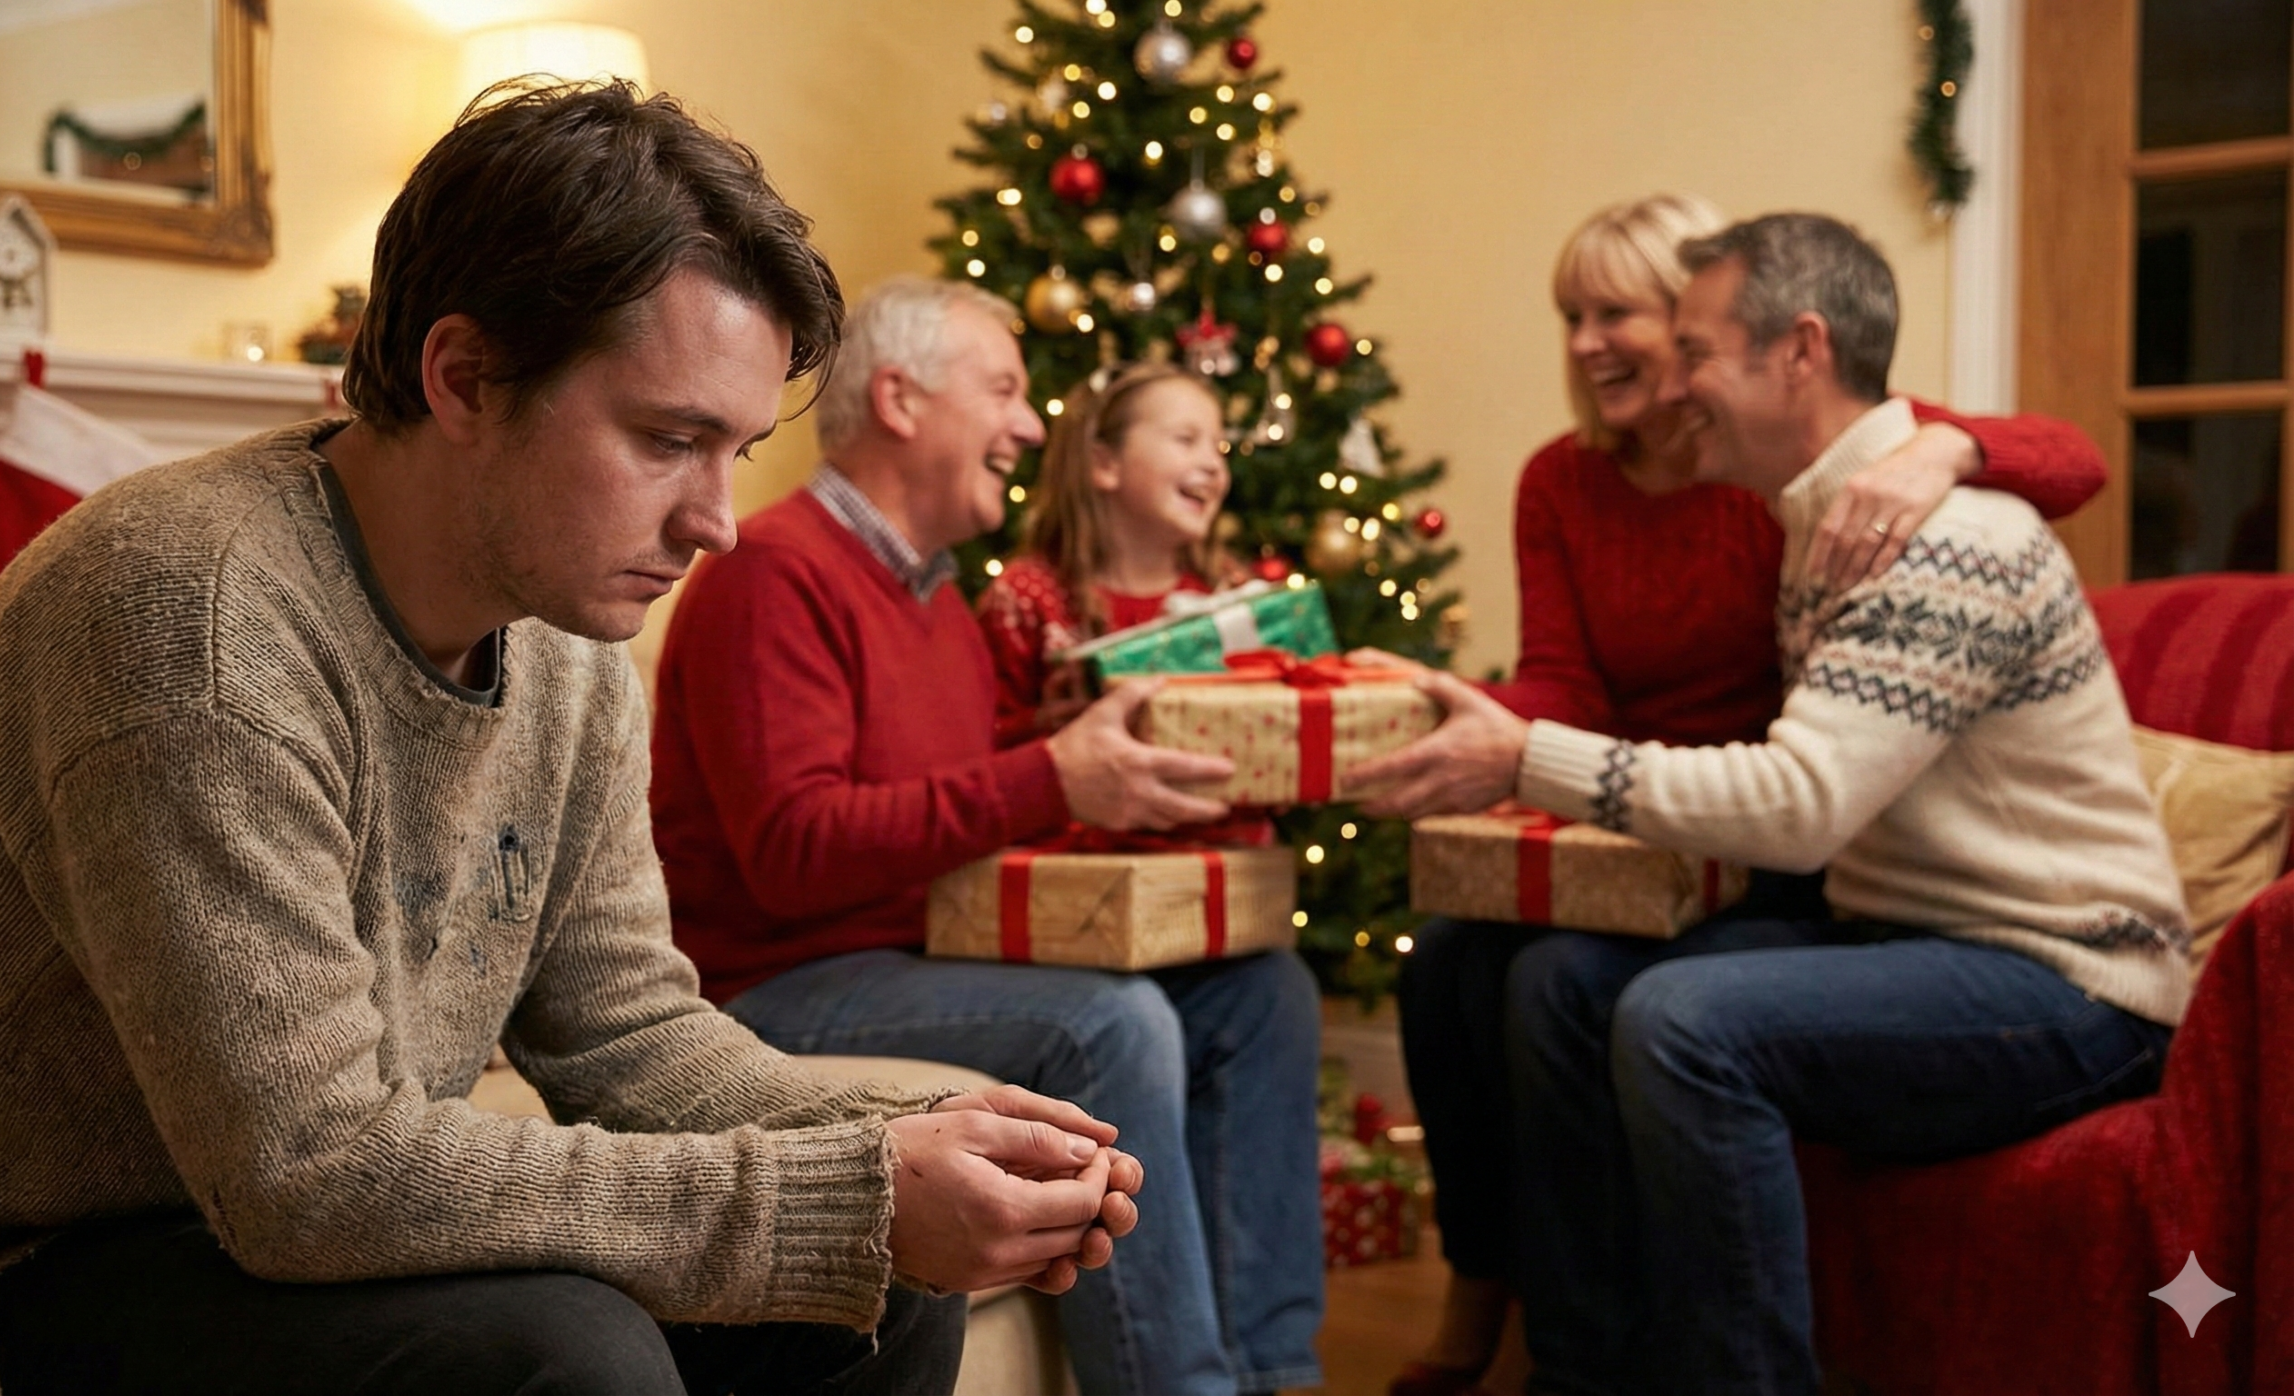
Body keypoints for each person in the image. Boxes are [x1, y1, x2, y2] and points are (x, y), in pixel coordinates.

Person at [0, 83, 1144, 1396]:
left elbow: (628, 1032)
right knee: (563, 1351)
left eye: (733, 451)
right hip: (6, 1263)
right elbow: (310, 1169)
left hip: (261, 1220)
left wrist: (905, 1150)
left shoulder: (565, 632)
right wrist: (846, 1195)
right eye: (669, 439)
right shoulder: (187, 619)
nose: (716, 519)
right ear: (467, 376)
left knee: (873, 1288)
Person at [1356, 212, 2187, 1395]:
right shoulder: (1817, 517)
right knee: (1539, 980)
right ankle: (1586, 1362)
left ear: (1797, 351)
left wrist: (1524, 756)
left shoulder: (1938, 537)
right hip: (1899, 932)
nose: (1672, 383)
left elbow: (1799, 802)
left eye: (1692, 349)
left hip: (2066, 972)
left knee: (1686, 1019)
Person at [652, 276, 1327, 1396]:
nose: (1029, 424)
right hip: (779, 981)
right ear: (904, 401)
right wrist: (1051, 774)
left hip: (921, 951)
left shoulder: (935, 594)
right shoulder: (774, 570)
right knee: (1109, 1023)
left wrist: (1097, 763)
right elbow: (796, 849)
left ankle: (1276, 1372)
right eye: (1005, 390)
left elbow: (970, 783)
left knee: (1261, 993)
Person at [976, 362, 1241, 746]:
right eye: (1185, 440)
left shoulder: (1229, 593)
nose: (1214, 466)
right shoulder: (1025, 599)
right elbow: (979, 746)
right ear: (1105, 464)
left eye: (1220, 448)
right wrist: (1049, 731)